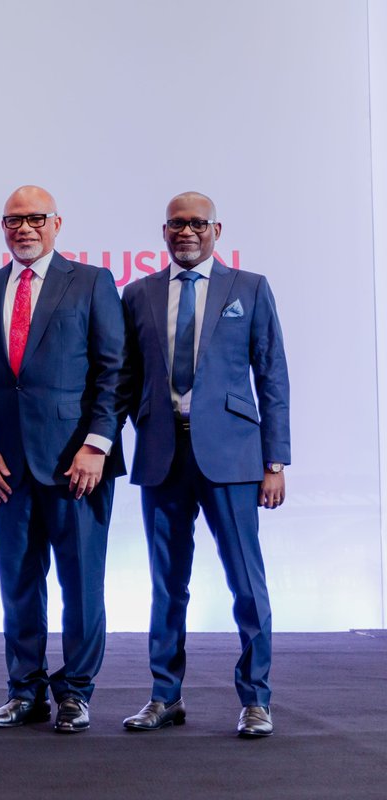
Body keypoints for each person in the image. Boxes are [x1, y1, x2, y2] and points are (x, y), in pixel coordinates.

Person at [0, 185, 126, 733]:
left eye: (35, 218)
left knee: (81, 584)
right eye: (13, 220)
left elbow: (113, 371)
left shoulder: (93, 282)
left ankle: (76, 691)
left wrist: (97, 444)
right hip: (6, 467)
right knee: (18, 584)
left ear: (57, 224)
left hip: (78, 465)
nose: (24, 228)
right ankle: (24, 689)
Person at [119, 192, 289, 738]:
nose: (186, 231)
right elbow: (123, 379)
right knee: (167, 585)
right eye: (176, 224)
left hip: (235, 458)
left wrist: (276, 461)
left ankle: (257, 699)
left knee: (245, 580)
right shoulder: (138, 293)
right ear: (163, 231)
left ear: (216, 229)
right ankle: (164, 696)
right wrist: (98, 443)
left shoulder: (250, 288)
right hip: (162, 454)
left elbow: (273, 378)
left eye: (197, 223)